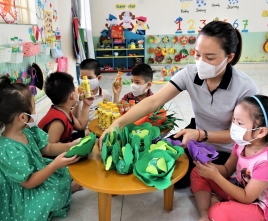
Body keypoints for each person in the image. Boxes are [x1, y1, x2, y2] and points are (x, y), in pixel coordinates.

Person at [101, 21, 257, 189]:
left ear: (229, 57)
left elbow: (241, 134)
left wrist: (200, 134)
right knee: (152, 159)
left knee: (179, 178)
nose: (201, 62)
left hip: (224, 150)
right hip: (195, 136)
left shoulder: (244, 87)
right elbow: (153, 101)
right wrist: (117, 124)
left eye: (210, 58)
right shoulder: (190, 74)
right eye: (197, 54)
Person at [0, 75, 81, 221]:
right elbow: (28, 182)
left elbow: (47, 147)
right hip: (19, 193)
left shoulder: (28, 130)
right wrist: (54, 165)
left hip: (35, 173)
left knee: (65, 172)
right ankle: (68, 189)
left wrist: (69, 146)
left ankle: (67, 188)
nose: (35, 111)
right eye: (33, 107)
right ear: (22, 117)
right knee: (49, 196)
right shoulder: (7, 149)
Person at [191, 95, 268, 221]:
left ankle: (215, 210)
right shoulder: (243, 143)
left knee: (219, 211)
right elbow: (227, 169)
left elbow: (247, 198)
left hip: (260, 206)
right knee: (198, 173)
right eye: (234, 120)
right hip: (241, 188)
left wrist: (215, 176)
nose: (234, 126)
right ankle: (206, 215)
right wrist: (208, 167)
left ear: (261, 131)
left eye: (240, 123)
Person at [38, 72, 94, 155]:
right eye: (75, 91)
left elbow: (81, 126)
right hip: (48, 157)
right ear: (72, 95)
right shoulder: (58, 120)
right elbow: (49, 147)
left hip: (63, 143)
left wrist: (86, 105)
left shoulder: (64, 111)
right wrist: (71, 146)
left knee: (91, 132)